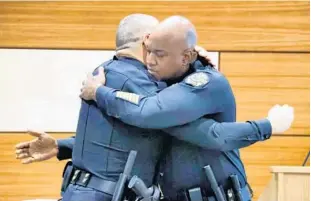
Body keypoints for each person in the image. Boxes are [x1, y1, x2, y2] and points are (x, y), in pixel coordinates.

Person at [15, 14, 293, 201]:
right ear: (147, 39)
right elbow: (143, 129)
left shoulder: (103, 73)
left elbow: (127, 132)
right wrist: (266, 126)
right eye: (155, 47)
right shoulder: (142, 84)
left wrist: (63, 145)